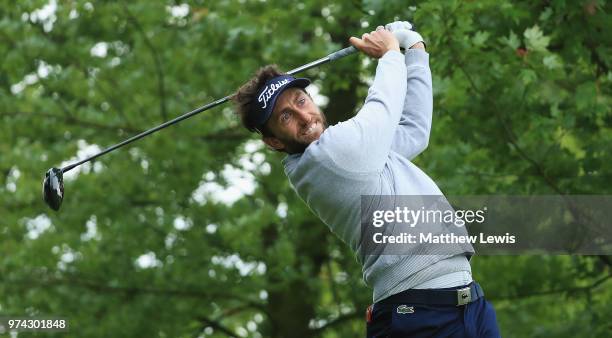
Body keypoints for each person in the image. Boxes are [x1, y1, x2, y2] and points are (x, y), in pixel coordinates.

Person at [232, 21, 500, 337]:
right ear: (274, 141)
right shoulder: (329, 156)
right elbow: (382, 107)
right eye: (285, 117)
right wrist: (389, 52)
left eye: (301, 101)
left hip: (463, 304)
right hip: (418, 315)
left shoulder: (357, 155)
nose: (304, 117)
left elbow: (413, 130)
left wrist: (413, 48)